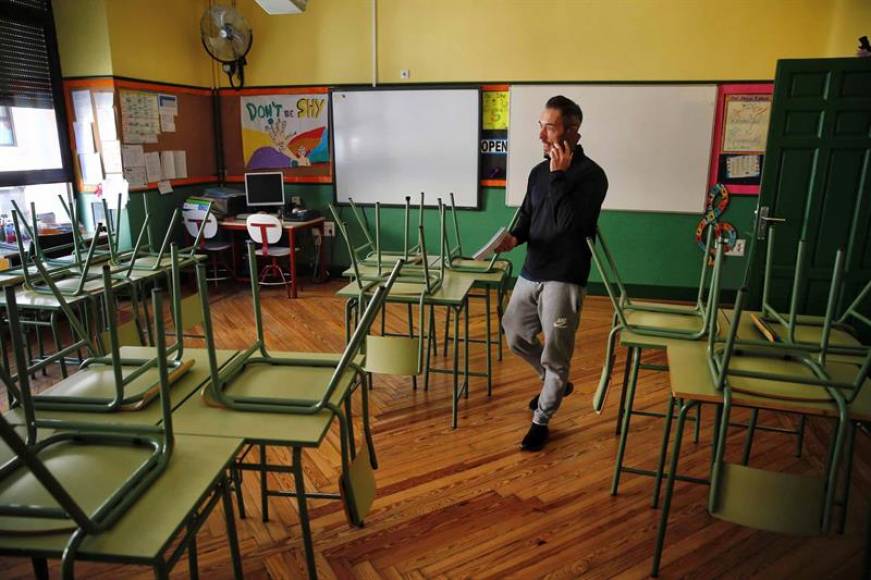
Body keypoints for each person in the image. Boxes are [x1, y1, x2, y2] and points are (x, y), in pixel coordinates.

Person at [495, 95, 608, 451]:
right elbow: (530, 217)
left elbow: (569, 226)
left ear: (572, 131)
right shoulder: (537, 173)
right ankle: (551, 382)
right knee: (513, 333)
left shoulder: (592, 177)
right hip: (532, 270)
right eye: (540, 126)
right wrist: (515, 237)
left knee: (556, 356)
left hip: (565, 275)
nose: (542, 136)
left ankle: (541, 419)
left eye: (550, 127)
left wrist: (559, 177)